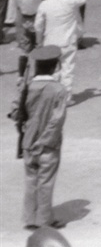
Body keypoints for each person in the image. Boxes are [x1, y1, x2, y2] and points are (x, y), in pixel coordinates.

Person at [13, 45, 69, 229]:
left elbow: (15, 113)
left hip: (27, 143)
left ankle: (30, 219)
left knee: (31, 181)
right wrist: (43, 142)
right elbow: (56, 121)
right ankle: (44, 220)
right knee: (45, 182)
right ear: (55, 67)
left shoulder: (26, 88)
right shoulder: (59, 90)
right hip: (48, 146)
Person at [35, 0, 94, 86]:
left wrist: (39, 43)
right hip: (68, 43)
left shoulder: (45, 4)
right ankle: (65, 98)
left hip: (50, 43)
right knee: (67, 71)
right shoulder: (71, 1)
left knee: (52, 71)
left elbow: (38, 26)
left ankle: (52, 96)